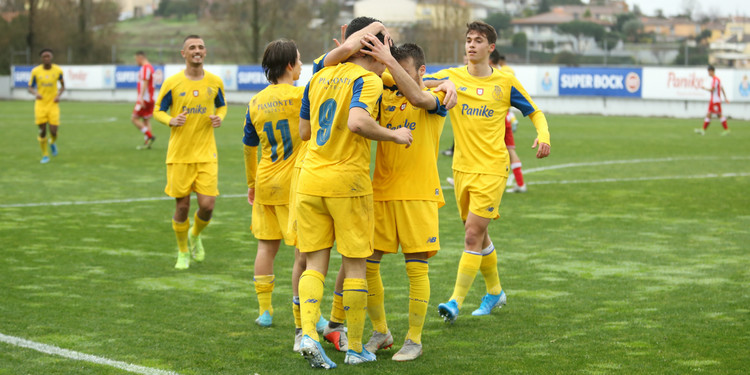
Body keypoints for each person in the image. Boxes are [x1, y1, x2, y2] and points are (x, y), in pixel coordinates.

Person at [296, 17, 412, 368]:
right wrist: (395, 135)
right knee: (356, 265)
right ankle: (357, 348)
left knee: (314, 264)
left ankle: (307, 334)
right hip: (347, 183)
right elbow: (358, 122)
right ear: (375, 49)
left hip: (310, 180)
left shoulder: (319, 75)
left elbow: (304, 131)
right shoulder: (367, 80)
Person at [424, 21, 551, 323]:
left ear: (490, 48)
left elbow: (535, 111)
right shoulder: (451, 76)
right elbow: (415, 79)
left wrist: (543, 135)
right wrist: (438, 84)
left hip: (493, 169)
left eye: (478, 40)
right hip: (462, 169)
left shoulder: (505, 82)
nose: (471, 45)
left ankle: (454, 301)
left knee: (471, 235)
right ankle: (495, 291)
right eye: (468, 40)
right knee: (479, 236)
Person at [358, 39, 453, 361]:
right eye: (390, 69)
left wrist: (441, 81)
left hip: (419, 194)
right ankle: (381, 331)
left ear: (421, 71)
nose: (394, 76)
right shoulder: (383, 88)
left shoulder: (437, 96)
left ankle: (414, 339)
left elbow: (418, 94)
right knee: (367, 265)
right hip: (381, 192)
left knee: (416, 269)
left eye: (402, 70)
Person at [154, 35, 227, 270]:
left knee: (207, 206)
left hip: (207, 153)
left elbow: (222, 105)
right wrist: (170, 120)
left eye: (201, 47)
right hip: (180, 154)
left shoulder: (215, 82)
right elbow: (158, 110)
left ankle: (195, 235)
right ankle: (183, 251)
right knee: (182, 207)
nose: (197, 50)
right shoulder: (172, 83)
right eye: (192, 47)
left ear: (205, 53)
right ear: (183, 54)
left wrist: (220, 117)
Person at [490, 50, 526, 193]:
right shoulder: (506, 73)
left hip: (498, 119)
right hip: (505, 116)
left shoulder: (497, 76)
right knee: (510, 150)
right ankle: (520, 183)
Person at [28, 48, 65, 164]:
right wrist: (35, 93)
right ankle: (45, 155)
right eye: (44, 56)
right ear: (41, 58)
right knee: (42, 131)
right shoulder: (35, 71)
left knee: (54, 131)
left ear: (51, 57)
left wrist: (58, 95)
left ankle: (52, 142)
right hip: (40, 105)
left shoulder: (58, 70)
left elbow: (63, 86)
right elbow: (30, 87)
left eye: (48, 56)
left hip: (53, 104)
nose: (46, 58)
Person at [695, 65, 730, 136]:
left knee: (719, 115)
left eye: (708, 71)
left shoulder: (715, 80)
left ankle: (726, 130)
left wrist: (704, 88)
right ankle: (703, 129)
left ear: (712, 71)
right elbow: (722, 89)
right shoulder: (717, 79)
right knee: (709, 114)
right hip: (714, 100)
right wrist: (725, 98)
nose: (708, 73)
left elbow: (712, 90)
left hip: (715, 101)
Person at [132, 51, 156, 149]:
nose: (136, 61)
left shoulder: (145, 68)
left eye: (136, 59)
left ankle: (149, 135)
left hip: (145, 99)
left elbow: (145, 82)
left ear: (140, 57)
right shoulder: (150, 67)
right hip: (150, 98)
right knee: (146, 120)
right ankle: (148, 143)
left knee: (134, 118)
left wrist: (141, 97)